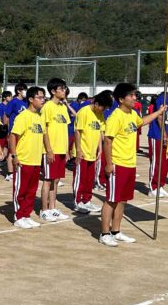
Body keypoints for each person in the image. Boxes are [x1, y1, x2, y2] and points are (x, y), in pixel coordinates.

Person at [100, 82, 166, 246]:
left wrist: (159, 112)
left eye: (135, 95)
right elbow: (107, 141)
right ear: (121, 99)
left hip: (130, 164)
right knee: (111, 200)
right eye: (131, 95)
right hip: (117, 164)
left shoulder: (132, 114)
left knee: (122, 200)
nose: (134, 97)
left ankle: (116, 231)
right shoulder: (115, 117)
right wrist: (109, 164)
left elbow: (141, 122)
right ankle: (104, 233)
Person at [9, 86, 46, 228]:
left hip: (35, 160)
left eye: (43, 97)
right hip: (23, 160)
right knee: (21, 190)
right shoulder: (23, 116)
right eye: (40, 97)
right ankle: (19, 216)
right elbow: (13, 136)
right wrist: (15, 155)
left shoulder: (39, 117)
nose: (42, 100)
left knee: (31, 191)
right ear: (31, 99)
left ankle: (26, 214)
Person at [73, 90, 110, 214]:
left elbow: (100, 132)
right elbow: (78, 131)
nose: (103, 110)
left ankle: (86, 200)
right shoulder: (84, 112)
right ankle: (78, 202)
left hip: (92, 152)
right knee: (81, 178)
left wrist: (100, 148)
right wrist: (78, 150)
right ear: (96, 103)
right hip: (82, 151)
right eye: (102, 107)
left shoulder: (100, 115)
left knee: (90, 179)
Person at [38, 78, 71, 222]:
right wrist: (49, 150)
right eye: (61, 88)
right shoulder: (47, 107)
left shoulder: (63, 107)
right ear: (53, 91)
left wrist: (68, 150)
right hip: (50, 150)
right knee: (47, 180)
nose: (64, 91)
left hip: (62, 150)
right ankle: (44, 210)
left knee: (56, 180)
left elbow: (65, 129)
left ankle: (52, 207)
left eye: (64, 88)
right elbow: (44, 130)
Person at [146, 88, 168, 198]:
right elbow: (160, 117)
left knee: (165, 162)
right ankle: (153, 187)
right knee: (157, 161)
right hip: (157, 135)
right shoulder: (162, 99)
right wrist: (164, 135)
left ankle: (160, 185)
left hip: (167, 136)